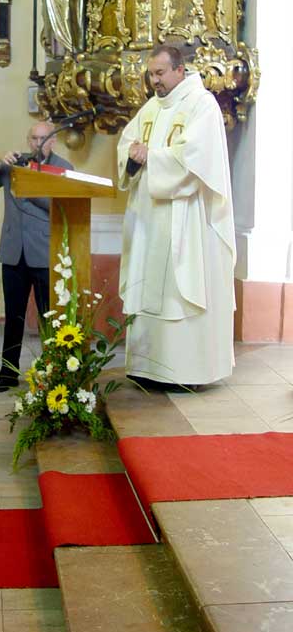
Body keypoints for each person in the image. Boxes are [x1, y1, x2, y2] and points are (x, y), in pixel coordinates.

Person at [117, 44, 236, 388]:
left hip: (184, 217)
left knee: (178, 292)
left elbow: (196, 157)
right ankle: (147, 368)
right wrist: (132, 155)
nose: (154, 81)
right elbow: (127, 143)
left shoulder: (202, 105)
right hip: (149, 219)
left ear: (179, 70)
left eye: (160, 73)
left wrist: (151, 157)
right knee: (149, 287)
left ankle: (186, 372)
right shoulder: (152, 107)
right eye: (151, 74)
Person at [0, 122, 73, 392]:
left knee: (49, 318)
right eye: (34, 138)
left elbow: (62, 207)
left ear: (53, 141)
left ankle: (53, 373)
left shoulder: (64, 168)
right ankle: (8, 373)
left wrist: (29, 188)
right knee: (13, 317)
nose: (39, 143)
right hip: (13, 252)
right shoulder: (13, 164)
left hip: (44, 252)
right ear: (28, 140)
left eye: (44, 138)